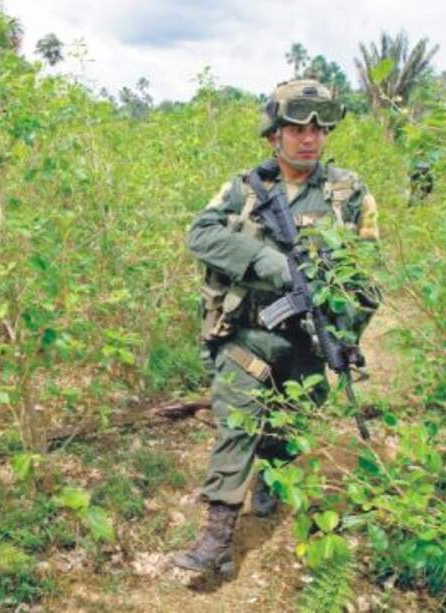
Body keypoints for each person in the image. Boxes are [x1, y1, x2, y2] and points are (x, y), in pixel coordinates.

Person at [172, 79, 379, 577]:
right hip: (249, 332)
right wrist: (266, 261)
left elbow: (370, 277)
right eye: (296, 128)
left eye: (318, 128)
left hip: (310, 340)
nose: (308, 138)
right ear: (274, 135)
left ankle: (271, 474)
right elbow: (199, 234)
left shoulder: (349, 194)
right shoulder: (245, 188)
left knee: (291, 422)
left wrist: (345, 331)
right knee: (237, 421)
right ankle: (218, 534)